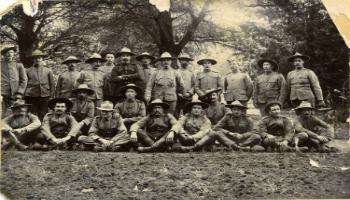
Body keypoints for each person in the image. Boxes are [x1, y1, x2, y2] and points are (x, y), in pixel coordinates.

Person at [25, 50, 55, 120]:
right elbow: (24, 84)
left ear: (42, 59)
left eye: (39, 58)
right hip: (32, 96)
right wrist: (25, 95)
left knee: (44, 113)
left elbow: (52, 83)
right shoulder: (28, 71)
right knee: (33, 114)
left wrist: (51, 95)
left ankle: (43, 128)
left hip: (45, 95)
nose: (37, 59)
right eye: (35, 58)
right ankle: (34, 129)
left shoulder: (48, 70)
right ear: (33, 59)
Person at [1, 46, 27, 118]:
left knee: (17, 113)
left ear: (14, 54)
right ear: (4, 54)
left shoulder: (19, 65)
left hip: (15, 95)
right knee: (3, 114)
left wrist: (20, 92)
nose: (10, 54)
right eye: (7, 53)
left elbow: (24, 80)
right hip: (2, 94)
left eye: (11, 52)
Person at [175, 53, 196, 117]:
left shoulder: (191, 73)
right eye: (183, 60)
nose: (185, 62)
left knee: (187, 114)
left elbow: (194, 85)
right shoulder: (176, 72)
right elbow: (173, 84)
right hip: (177, 97)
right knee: (176, 114)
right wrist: (177, 93)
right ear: (180, 61)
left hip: (188, 98)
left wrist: (189, 93)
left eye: (187, 60)